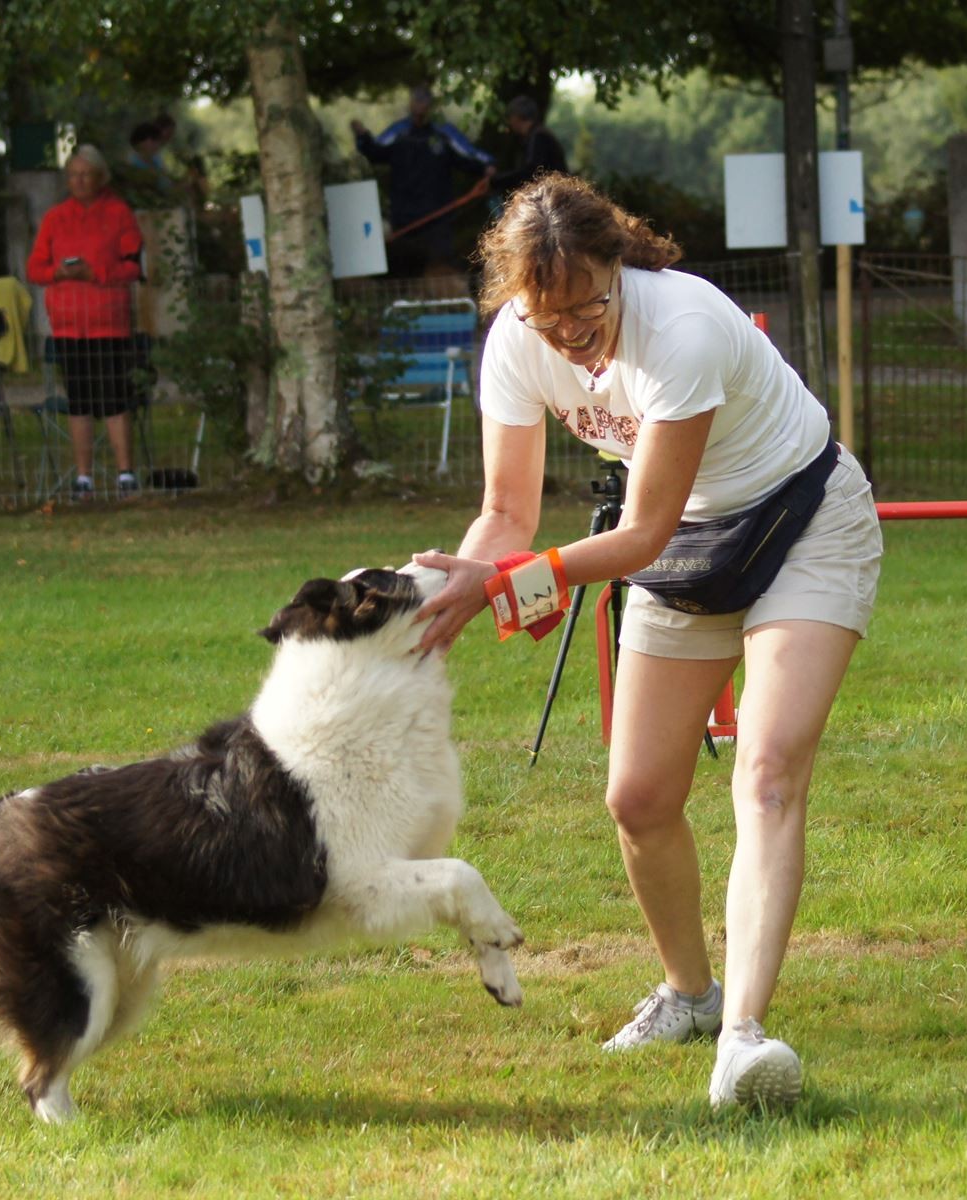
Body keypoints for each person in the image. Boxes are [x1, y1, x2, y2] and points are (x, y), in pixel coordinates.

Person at [412, 175, 883, 1111]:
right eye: (550, 318)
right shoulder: (516, 343)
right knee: (637, 797)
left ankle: (744, 1043)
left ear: (615, 267)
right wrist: (442, 596)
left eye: (589, 304)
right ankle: (692, 995)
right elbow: (505, 512)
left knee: (769, 767)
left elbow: (639, 538)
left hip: (804, 519)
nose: (574, 334)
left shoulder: (685, 327)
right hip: (692, 540)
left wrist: (503, 587)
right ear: (518, 303)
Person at [25, 145, 145, 498]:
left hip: (109, 321)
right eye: (72, 175)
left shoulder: (119, 213)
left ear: (100, 177)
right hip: (68, 323)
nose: (78, 181)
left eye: (85, 174)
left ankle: (125, 472)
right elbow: (34, 268)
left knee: (113, 397)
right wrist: (57, 272)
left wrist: (97, 272)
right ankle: (83, 476)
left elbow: (134, 265)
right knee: (79, 399)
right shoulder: (55, 217)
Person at [351, 86, 495, 276]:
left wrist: (488, 166)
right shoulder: (399, 132)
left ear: (431, 106)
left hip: (438, 216)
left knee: (439, 266)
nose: (420, 107)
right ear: (410, 105)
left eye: (424, 102)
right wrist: (362, 136)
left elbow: (469, 155)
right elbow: (374, 151)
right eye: (416, 101)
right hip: (404, 217)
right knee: (405, 269)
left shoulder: (444, 133)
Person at [488, 95, 568, 197]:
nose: (510, 122)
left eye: (510, 117)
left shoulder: (539, 137)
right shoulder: (537, 135)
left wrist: (496, 181)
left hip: (554, 195)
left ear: (517, 117)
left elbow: (531, 172)